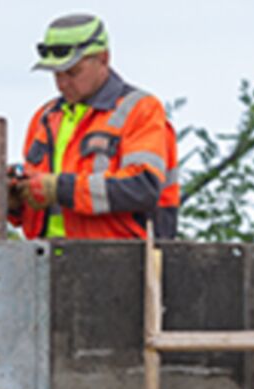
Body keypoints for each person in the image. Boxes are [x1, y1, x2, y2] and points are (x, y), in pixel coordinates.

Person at [9, 13, 180, 240]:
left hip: (122, 261)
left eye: (72, 72)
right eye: (56, 74)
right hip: (45, 260)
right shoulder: (45, 118)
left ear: (103, 59)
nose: (62, 83)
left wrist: (60, 189)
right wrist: (15, 201)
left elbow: (142, 188)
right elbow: (40, 210)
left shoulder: (140, 110)